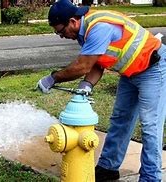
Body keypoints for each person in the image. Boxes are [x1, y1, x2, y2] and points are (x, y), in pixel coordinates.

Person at [37, 0, 166, 181]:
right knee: (120, 119)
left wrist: (53, 78)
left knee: (150, 126)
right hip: (130, 72)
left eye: (61, 31)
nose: (61, 36)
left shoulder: (98, 28)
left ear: (73, 21)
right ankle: (108, 167)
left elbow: (83, 66)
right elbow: (97, 62)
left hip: (154, 69)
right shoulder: (84, 31)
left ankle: (151, 177)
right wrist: (87, 85)